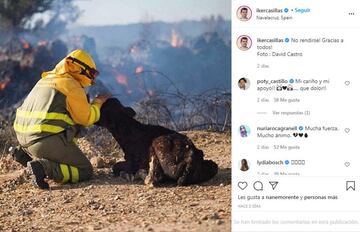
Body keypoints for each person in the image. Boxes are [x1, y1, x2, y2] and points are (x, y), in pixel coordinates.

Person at [13, 49, 110, 189]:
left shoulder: (46, 80)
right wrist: (98, 102)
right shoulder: (71, 86)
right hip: (43, 141)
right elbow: (87, 118)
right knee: (85, 170)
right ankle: (43, 167)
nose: (92, 79)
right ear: (78, 69)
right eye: (91, 73)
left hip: (22, 138)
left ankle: (23, 153)